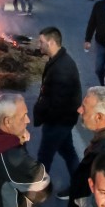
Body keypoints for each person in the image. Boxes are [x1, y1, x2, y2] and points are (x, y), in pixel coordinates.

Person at [34, 26, 81, 182]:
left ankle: (36, 192)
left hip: (57, 122)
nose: (38, 45)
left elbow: (58, 102)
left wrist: (44, 115)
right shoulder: (58, 61)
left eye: (41, 42)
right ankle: (79, 185)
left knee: (44, 157)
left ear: (52, 42)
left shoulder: (62, 68)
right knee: (68, 152)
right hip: (63, 120)